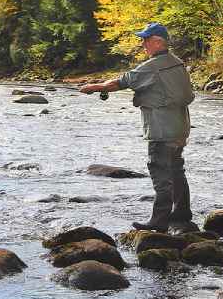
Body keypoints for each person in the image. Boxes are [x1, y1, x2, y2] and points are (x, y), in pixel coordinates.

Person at [80, 22, 196, 232]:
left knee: (160, 173)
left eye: (146, 39)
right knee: (177, 170)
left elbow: (121, 82)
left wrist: (93, 87)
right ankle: (182, 214)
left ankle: (158, 222)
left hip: (161, 131)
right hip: (180, 129)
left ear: (158, 41)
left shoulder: (152, 66)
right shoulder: (178, 63)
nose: (143, 44)